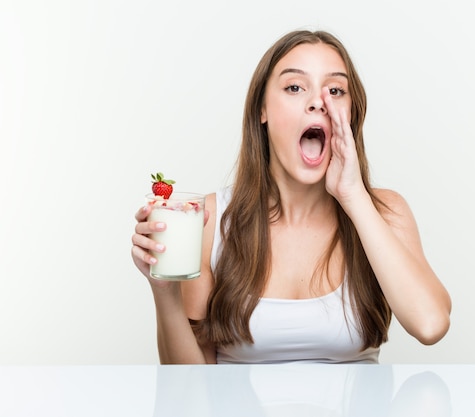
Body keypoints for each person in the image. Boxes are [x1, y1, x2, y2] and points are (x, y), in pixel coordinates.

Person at [131, 29, 451, 364]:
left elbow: (430, 324)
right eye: (295, 87)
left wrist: (353, 196)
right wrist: (165, 292)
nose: (317, 101)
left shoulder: (384, 213)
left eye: (336, 90)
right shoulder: (208, 219)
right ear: (262, 110)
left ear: (351, 113)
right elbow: (191, 391)